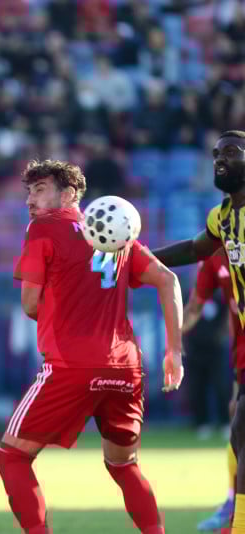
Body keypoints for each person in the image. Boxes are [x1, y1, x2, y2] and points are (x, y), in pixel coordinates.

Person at [0, 159, 183, 534]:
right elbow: (168, 280)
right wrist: (174, 351)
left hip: (71, 366)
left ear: (68, 195)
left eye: (40, 190)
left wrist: (62, 310)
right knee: (123, 465)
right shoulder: (116, 233)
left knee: (12, 457)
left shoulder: (43, 228)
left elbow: (30, 304)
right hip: (125, 368)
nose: (30, 200)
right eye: (29, 192)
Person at [149, 130, 245, 534]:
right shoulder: (222, 217)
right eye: (215, 153)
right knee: (240, 432)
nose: (219, 158)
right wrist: (142, 259)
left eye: (230, 151)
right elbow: (194, 249)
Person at [184, 249, 240, 531]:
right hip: (240, 357)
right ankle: (235, 510)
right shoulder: (214, 257)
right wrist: (174, 341)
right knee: (238, 433)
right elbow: (194, 306)